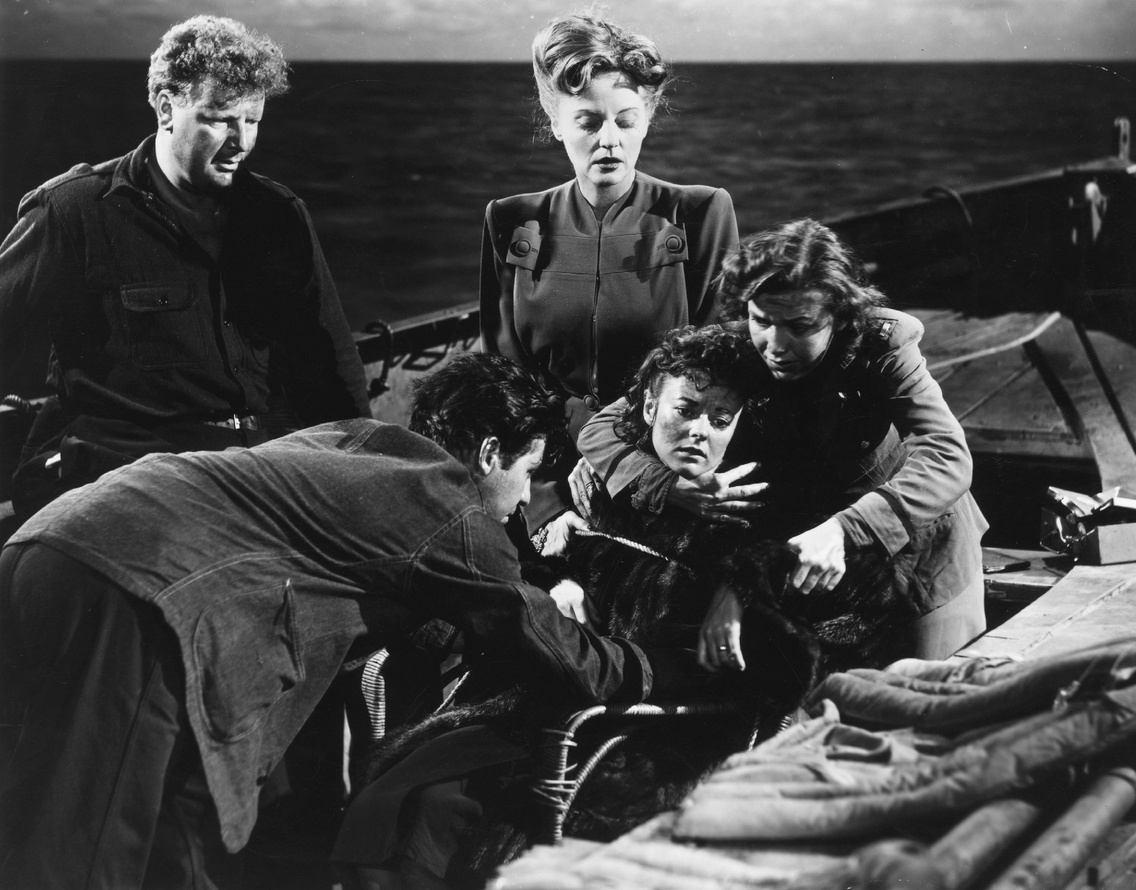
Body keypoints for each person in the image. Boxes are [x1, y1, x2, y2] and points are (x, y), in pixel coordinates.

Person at [0, 352, 653, 890]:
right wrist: (649, 664)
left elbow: (394, 594)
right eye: (529, 473)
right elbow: (548, 642)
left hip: (47, 543)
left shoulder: (359, 442)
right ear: (488, 453)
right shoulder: (452, 507)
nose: (524, 500)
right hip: (137, 593)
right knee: (87, 846)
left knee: (169, 833)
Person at [332, 326, 889, 890]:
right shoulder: (606, 490)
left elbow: (783, 663)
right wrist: (560, 582)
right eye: (686, 409)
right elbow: (524, 570)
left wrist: (744, 587)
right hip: (558, 693)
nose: (700, 430)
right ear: (649, 407)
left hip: (650, 729)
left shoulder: (757, 518)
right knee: (406, 797)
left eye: (721, 419)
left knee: (460, 814)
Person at [0, 15, 370, 520]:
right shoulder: (73, 212)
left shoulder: (280, 215)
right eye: (221, 119)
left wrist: (360, 475)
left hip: (261, 468)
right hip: (133, 477)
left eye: (253, 120)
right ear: (166, 108)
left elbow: (333, 368)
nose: (242, 142)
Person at [578, 218, 990, 663]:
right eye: (761, 320)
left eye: (800, 325)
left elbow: (948, 454)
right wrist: (666, 485)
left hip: (915, 550)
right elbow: (602, 428)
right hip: (803, 556)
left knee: (930, 686)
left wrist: (846, 529)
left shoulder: (883, 346)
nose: (775, 344)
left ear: (839, 316)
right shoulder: (736, 345)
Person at [479, 12, 739, 530]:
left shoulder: (700, 213)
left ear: (647, 120)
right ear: (555, 122)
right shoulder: (510, 221)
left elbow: (713, 369)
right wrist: (547, 506)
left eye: (625, 120)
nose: (610, 140)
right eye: (588, 122)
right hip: (545, 480)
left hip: (666, 476)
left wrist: (621, 465)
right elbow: (504, 378)